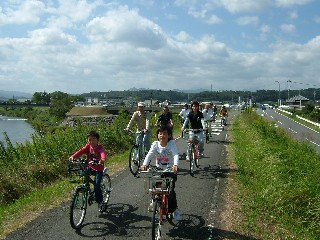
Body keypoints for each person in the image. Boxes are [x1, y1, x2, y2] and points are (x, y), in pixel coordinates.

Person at [140, 126, 181, 221]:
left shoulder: (171, 144)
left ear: (169, 135)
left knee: (170, 191)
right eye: (160, 133)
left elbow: (175, 154)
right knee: (155, 187)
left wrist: (175, 165)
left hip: (170, 170)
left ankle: (175, 210)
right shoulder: (155, 144)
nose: (162, 135)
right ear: (157, 135)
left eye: (165, 133)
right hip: (158, 169)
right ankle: (154, 200)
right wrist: (144, 164)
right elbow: (149, 154)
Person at [69, 130, 107, 212]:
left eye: (93, 139)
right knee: (82, 177)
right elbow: (80, 151)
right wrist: (73, 156)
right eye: (89, 139)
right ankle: (87, 189)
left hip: (98, 169)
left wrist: (102, 159)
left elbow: (102, 153)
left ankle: (101, 202)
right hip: (89, 167)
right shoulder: (87, 147)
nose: (91, 141)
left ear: (97, 140)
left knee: (97, 186)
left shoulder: (100, 147)